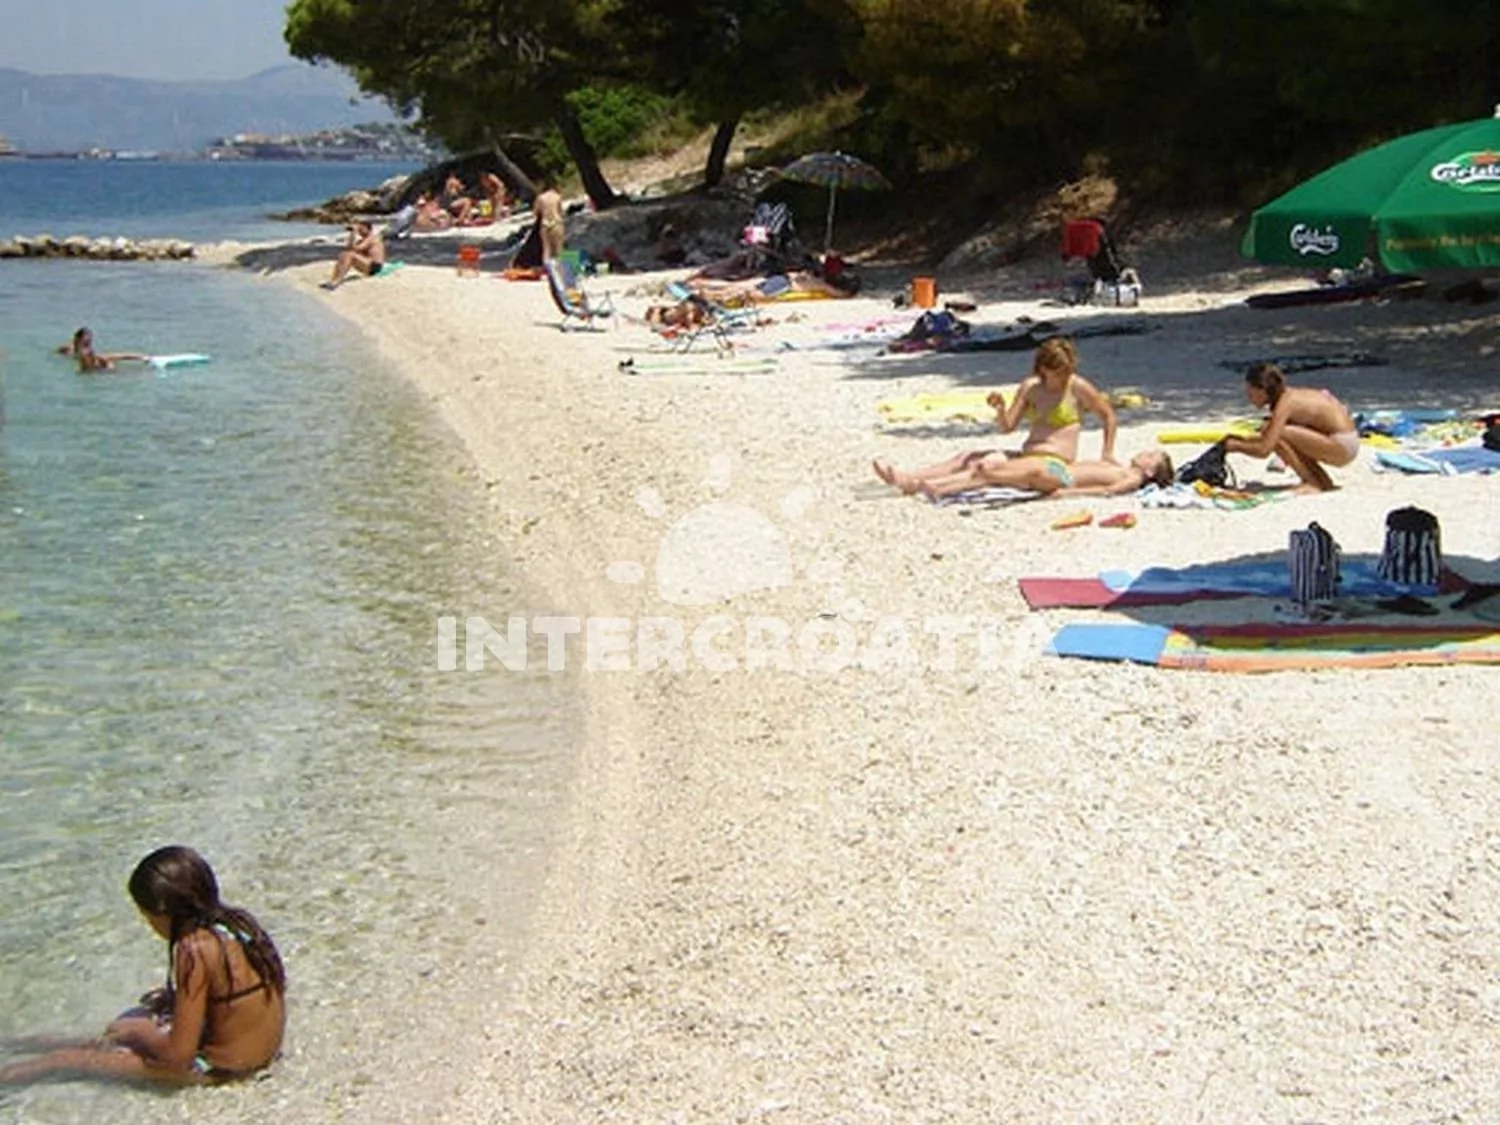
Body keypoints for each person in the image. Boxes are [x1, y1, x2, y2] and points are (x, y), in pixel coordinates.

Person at [0, 845, 286, 1087]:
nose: (151, 926)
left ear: (164, 913)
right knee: (109, 1039)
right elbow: (235, 1000)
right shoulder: (234, 924)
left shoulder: (193, 950)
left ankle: (9, 1074)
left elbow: (178, 1057)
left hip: (220, 1069)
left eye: (148, 918)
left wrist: (140, 1032)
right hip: (255, 1055)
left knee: (66, 1059)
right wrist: (174, 1000)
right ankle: (13, 1044)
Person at [868, 337, 1118, 494]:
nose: (1062, 377)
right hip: (1028, 454)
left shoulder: (1077, 387)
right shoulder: (1031, 387)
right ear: (1043, 369)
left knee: (988, 466)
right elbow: (1008, 426)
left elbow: (1108, 416)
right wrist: (1000, 409)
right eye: (1058, 372)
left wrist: (1107, 453)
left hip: (1056, 462)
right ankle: (910, 476)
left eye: (1066, 371)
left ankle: (920, 487)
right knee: (967, 457)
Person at [1223, 362, 1359, 493]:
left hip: (1342, 444)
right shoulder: (1289, 395)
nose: (1249, 397)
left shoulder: (1285, 403)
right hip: (1346, 441)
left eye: (1250, 392)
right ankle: (1322, 481)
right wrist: (1242, 441)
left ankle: (1312, 482)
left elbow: (1264, 449)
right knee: (1273, 432)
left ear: (1262, 390)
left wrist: (1234, 446)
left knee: (1275, 434)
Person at [875, 450, 1173, 499]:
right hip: (1059, 469)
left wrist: (1067, 494)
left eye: (1151, 456)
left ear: (1150, 470)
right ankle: (928, 485)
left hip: (1062, 478)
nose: (1145, 452)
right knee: (988, 471)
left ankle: (918, 484)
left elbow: (1109, 492)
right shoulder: (1119, 465)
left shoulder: (1133, 478)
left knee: (992, 471)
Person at [323, 220, 387, 290]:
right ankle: (333, 280)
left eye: (361, 229)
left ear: (368, 229)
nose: (359, 231)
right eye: (359, 229)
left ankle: (337, 282)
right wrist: (352, 234)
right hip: (367, 264)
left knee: (350, 255)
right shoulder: (362, 240)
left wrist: (354, 232)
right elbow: (349, 248)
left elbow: (357, 248)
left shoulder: (372, 238)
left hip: (374, 266)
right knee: (343, 254)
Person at [60, 326, 148, 373]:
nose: (88, 345)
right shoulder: (68, 350)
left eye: (89, 343)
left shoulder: (100, 360)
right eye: (86, 343)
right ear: (78, 339)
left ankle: (144, 359)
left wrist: (142, 357)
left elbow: (122, 356)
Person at [534, 179, 565, 261]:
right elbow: (561, 212)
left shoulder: (540, 198)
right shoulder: (557, 196)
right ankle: (561, 268)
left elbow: (536, 213)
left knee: (546, 250)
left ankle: (548, 267)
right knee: (559, 249)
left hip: (545, 223)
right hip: (557, 222)